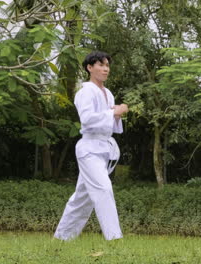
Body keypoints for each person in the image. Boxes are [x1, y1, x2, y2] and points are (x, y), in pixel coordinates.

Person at [54, 51, 129, 241]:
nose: (105, 69)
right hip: (89, 148)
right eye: (101, 65)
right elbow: (87, 120)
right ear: (89, 68)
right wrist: (113, 113)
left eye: (107, 66)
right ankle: (114, 238)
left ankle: (63, 237)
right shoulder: (85, 91)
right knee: (104, 188)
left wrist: (117, 114)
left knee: (82, 198)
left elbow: (110, 125)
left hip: (103, 147)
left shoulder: (108, 93)